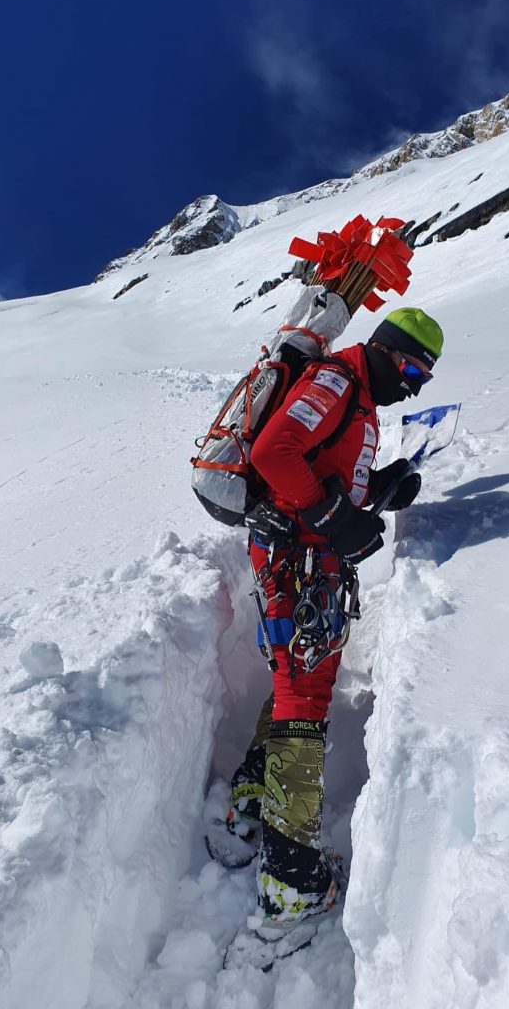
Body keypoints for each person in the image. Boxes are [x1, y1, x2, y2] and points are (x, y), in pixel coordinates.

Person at [209, 307, 444, 936]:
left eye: (426, 378)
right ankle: (289, 878)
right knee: (304, 689)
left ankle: (251, 800)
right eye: (414, 369)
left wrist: (381, 487)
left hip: (308, 555)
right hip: (295, 555)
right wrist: (338, 518)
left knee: (295, 677)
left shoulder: (360, 404)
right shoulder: (337, 383)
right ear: (389, 350)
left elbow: (327, 476)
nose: (416, 386)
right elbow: (274, 451)